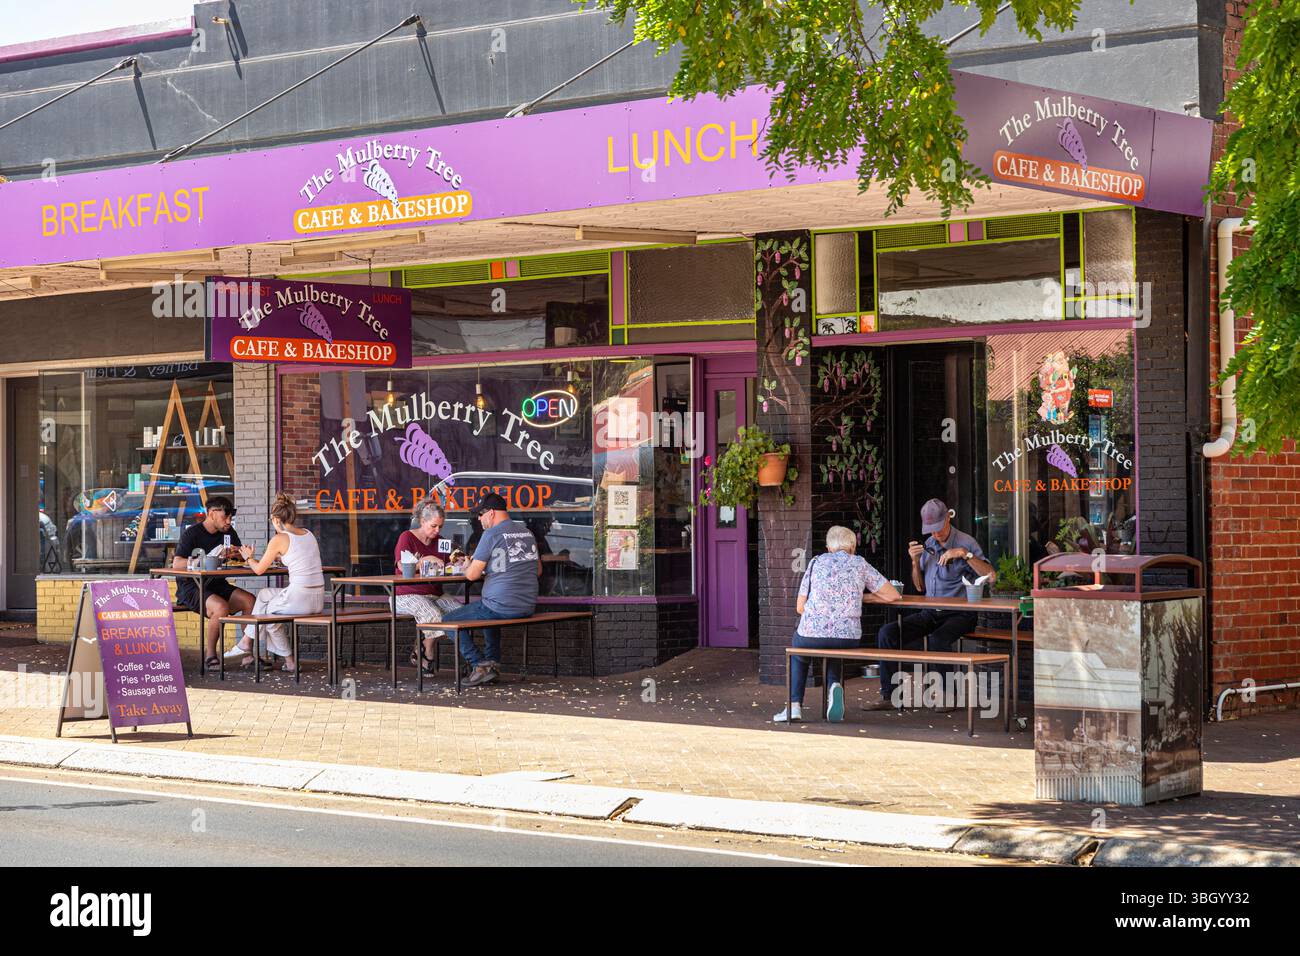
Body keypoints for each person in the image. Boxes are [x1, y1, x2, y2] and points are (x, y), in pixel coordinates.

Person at [870, 498, 996, 710]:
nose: (935, 534)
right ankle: (889, 696)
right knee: (887, 633)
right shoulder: (929, 545)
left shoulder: (966, 542)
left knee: (938, 639)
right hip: (930, 612)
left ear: (948, 518)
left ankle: (949, 696)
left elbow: (991, 576)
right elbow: (919, 588)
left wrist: (965, 555)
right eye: (931, 530)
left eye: (938, 528)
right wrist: (913, 562)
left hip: (961, 614)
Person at [774, 526, 899, 723]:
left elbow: (800, 607)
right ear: (853, 546)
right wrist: (862, 597)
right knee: (833, 644)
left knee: (799, 651)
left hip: (812, 634)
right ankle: (833, 686)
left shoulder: (816, 562)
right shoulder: (859, 563)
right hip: (848, 637)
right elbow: (892, 595)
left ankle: (794, 706)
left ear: (828, 547)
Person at [440, 492, 541, 688]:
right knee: (489, 619)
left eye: (480, 514)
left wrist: (468, 565)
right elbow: (537, 570)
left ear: (491, 513)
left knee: (448, 621)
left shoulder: (491, 534)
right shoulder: (526, 533)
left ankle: (480, 665)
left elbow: (471, 576)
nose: (478, 519)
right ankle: (492, 666)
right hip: (527, 605)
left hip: (501, 604)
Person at [223, 493, 324, 673]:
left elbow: (259, 569)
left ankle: (288, 660)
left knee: (269, 617)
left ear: (276, 519)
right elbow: (297, 555)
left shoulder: (279, 539)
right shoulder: (308, 534)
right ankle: (247, 641)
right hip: (318, 598)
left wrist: (248, 557)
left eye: (271, 519)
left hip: (300, 598)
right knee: (264, 595)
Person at [172, 496, 255, 671]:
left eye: (231, 518)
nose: (228, 521)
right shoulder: (192, 533)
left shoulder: (229, 532)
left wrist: (236, 554)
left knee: (250, 601)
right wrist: (203, 559)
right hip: (192, 586)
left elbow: (240, 556)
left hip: (216, 584)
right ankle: (210, 656)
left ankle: (248, 655)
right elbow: (176, 564)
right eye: (225, 517)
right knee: (220, 607)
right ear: (211, 514)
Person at [394, 500, 463, 676]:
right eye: (433, 526)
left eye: (440, 526)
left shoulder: (441, 541)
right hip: (406, 594)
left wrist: (459, 563)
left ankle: (421, 647)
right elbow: (402, 567)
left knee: (460, 612)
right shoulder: (407, 537)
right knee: (432, 614)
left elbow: (449, 564)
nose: (437, 531)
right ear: (422, 522)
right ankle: (428, 656)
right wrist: (425, 560)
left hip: (435, 593)